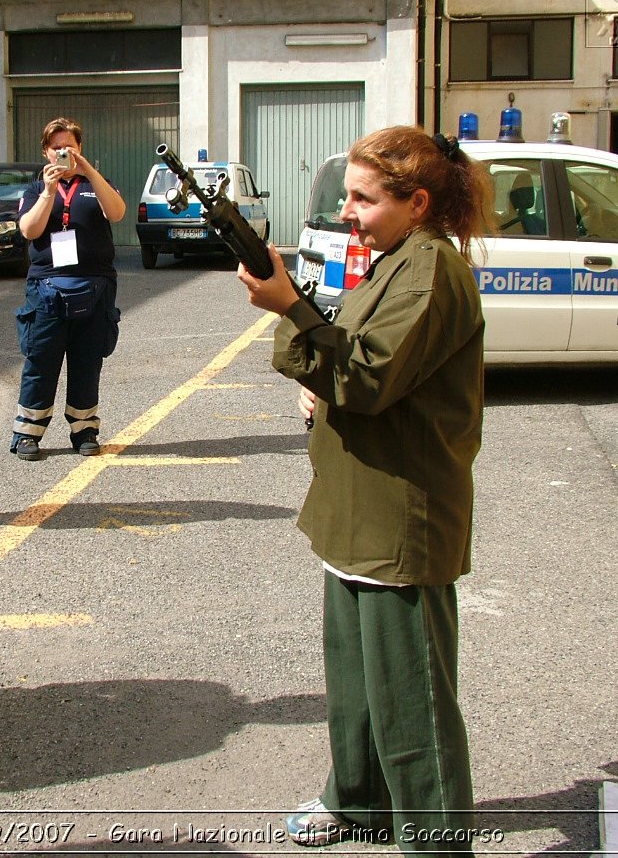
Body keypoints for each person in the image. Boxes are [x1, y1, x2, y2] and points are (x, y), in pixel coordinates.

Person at [237, 126, 492, 853]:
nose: (347, 211)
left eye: (362, 198)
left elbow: (367, 377)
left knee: (412, 700)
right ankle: (358, 801)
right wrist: (318, 384)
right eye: (347, 195)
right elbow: (351, 362)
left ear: (417, 203)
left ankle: (436, 842)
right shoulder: (393, 259)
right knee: (355, 683)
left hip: (398, 513)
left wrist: (290, 308)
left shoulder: (430, 269)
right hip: (357, 506)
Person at [9, 117, 124, 461]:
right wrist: (47, 191)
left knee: (87, 359)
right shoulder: (34, 189)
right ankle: (28, 433)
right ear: (45, 151)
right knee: (41, 359)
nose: (63, 152)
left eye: (69, 146)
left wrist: (88, 171)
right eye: (56, 147)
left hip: (96, 286)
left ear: (80, 148)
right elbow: (29, 231)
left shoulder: (95, 182)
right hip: (47, 287)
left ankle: (84, 428)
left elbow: (116, 213)